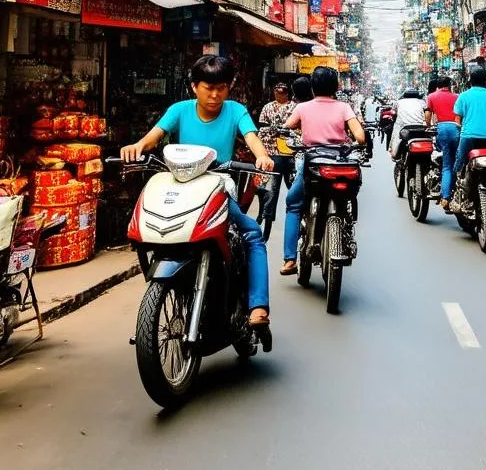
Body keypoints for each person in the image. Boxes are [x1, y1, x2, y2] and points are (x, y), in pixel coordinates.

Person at [120, 55, 275, 333]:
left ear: (230, 88)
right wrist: (138, 146)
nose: (215, 95)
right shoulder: (179, 110)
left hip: (218, 189)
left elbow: (252, 138)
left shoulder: (236, 111)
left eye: (221, 88)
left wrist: (262, 156)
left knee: (251, 234)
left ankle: (258, 306)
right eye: (208, 88)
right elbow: (153, 136)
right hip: (179, 188)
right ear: (194, 87)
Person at [281, 67, 366, 275]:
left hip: (313, 163)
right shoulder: (344, 107)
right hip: (340, 161)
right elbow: (360, 137)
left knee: (293, 203)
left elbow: (286, 127)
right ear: (336, 87)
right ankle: (345, 226)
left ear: (312, 87)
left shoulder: (303, 108)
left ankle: (290, 259)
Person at [453, 66, 486, 188]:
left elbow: (457, 120)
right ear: (485, 80)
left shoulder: (463, 96)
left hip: (469, 138)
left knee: (459, 163)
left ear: (470, 79)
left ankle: (455, 187)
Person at [256, 81, 296, 230]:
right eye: (276, 92)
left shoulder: (294, 107)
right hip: (271, 152)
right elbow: (262, 127)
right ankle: (265, 213)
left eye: (281, 92)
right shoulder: (268, 107)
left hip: (290, 152)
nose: (278, 95)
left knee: (294, 188)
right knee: (266, 187)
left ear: (286, 94)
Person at [425, 76, 460, 207]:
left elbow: (428, 116)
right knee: (457, 161)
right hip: (456, 129)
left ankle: (445, 196)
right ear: (449, 85)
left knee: (446, 165)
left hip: (442, 130)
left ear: (438, 86)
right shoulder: (457, 97)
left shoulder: (432, 97)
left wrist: (427, 126)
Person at [390, 87, 428, 158]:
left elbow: (393, 112)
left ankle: (392, 150)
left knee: (396, 129)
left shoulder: (398, 102)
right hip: (420, 128)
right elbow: (427, 112)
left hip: (404, 129)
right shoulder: (422, 102)